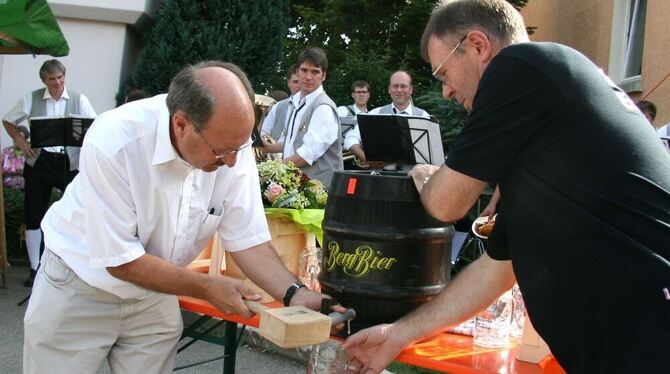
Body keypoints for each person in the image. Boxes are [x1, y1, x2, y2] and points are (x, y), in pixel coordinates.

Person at [342, 1, 670, 373]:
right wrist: (401, 333)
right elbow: (497, 268)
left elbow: (446, 205)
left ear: (479, 45)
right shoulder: (539, 125)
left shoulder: (520, 66)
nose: (446, 91)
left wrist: (424, 177)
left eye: (444, 72)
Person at [24, 61, 340, 374]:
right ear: (181, 125)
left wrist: (294, 293)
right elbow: (119, 259)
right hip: (79, 286)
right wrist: (206, 286)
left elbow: (249, 241)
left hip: (156, 290)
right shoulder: (115, 140)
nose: (232, 161)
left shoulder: (231, 142)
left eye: (239, 148)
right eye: (221, 151)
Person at [2, 59, 97, 287]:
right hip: (39, 160)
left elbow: (94, 124)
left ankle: (70, 265)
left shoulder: (78, 99)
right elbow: (8, 120)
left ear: (65, 76)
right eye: (52, 79)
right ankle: (34, 268)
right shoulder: (32, 98)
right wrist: (19, 140)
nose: (57, 82)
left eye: (60, 77)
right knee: (34, 213)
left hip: (68, 162)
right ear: (44, 80)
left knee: (75, 213)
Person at [261, 48, 342, 187]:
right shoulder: (296, 102)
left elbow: (307, 154)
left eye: (315, 71)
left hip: (320, 193)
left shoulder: (324, 108)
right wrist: (267, 147)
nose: (308, 77)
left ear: (323, 76)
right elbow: (294, 144)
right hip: (298, 189)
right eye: (304, 70)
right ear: (297, 72)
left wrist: (271, 170)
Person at [344, 71, 429, 162]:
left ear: (411, 89)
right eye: (395, 86)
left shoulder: (424, 116)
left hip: (413, 174)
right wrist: (365, 157)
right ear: (389, 89)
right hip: (382, 173)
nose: (399, 90)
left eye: (403, 86)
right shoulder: (376, 113)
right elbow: (350, 137)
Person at [260, 64, 300, 140]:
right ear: (288, 82)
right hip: (272, 151)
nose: (299, 86)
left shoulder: (314, 107)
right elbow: (264, 133)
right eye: (295, 82)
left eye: (301, 82)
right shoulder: (277, 106)